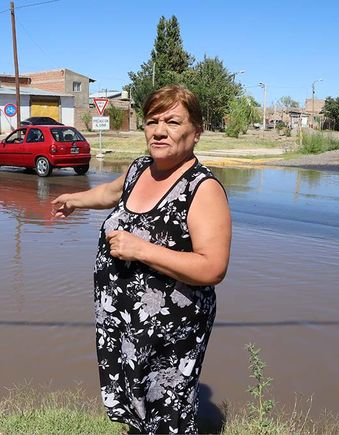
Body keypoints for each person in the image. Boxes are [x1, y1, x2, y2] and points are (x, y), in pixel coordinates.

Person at [52, 85, 231, 434]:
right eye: (152, 121)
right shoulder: (140, 169)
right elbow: (110, 193)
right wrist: (75, 199)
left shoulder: (202, 188)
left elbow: (213, 267)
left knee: (168, 415)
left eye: (173, 122)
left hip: (170, 330)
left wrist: (141, 250)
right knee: (138, 407)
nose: (159, 130)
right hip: (125, 322)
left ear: (196, 132)